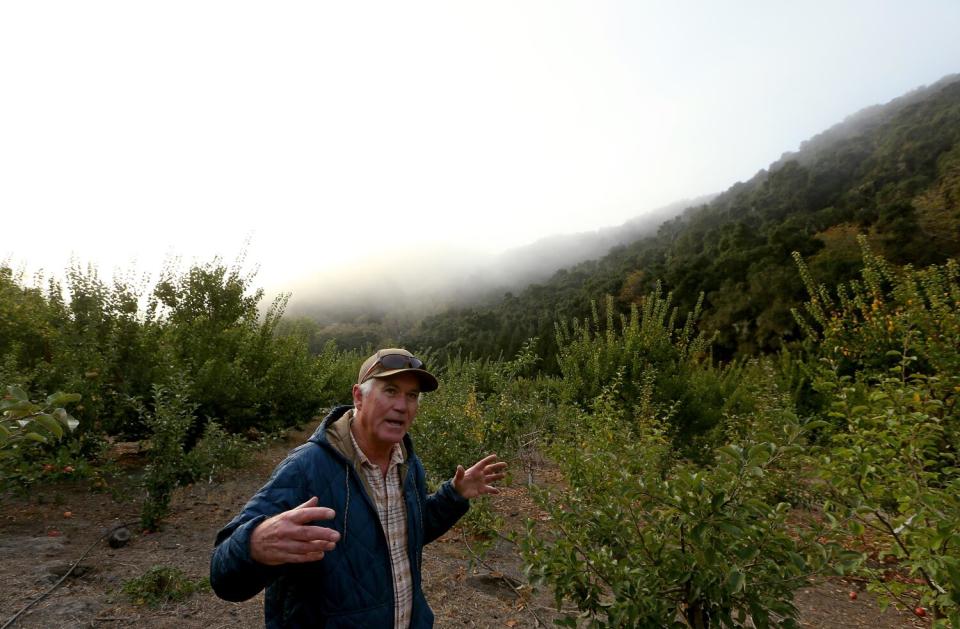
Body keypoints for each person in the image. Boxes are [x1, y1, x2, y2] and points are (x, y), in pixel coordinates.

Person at [210, 348, 507, 628]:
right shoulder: (307, 469)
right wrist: (254, 545)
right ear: (358, 397)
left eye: (412, 395)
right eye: (390, 391)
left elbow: (405, 534)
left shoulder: (406, 463)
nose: (402, 406)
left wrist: (453, 496)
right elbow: (223, 575)